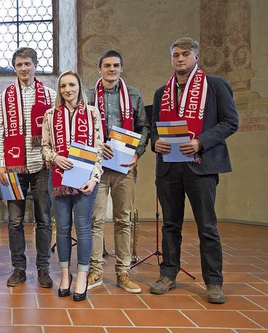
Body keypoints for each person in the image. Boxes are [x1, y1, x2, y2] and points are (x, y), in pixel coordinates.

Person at [149, 37, 238, 304]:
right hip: (169, 168)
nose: (179, 59)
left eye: (185, 54)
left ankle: (213, 282)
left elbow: (230, 122)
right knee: (170, 225)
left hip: (201, 166)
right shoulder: (161, 92)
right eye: (175, 55)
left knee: (207, 226)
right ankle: (168, 274)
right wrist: (156, 142)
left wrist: (200, 142)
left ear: (196, 57)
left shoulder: (215, 85)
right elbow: (154, 127)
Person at [86, 50, 149, 293]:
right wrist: (96, 145)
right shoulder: (89, 96)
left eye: (116, 65)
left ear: (121, 68)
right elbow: (83, 128)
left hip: (124, 167)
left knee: (123, 219)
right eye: (107, 65)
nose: (112, 69)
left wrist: (137, 153)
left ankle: (123, 271)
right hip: (98, 167)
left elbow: (144, 126)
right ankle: (96, 270)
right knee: (95, 220)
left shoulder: (133, 95)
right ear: (99, 68)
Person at [0, 47, 56, 288]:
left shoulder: (49, 96)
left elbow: (54, 131)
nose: (23, 68)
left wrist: (52, 157)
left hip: (41, 165)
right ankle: (18, 268)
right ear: (14, 67)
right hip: (13, 167)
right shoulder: (4, 97)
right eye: (19, 65)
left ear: (35, 65)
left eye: (27, 64)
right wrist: (0, 164)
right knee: (14, 221)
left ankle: (43, 268)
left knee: (43, 219)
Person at [42, 71, 103, 302]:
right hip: (57, 178)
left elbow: (99, 149)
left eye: (72, 85)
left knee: (83, 227)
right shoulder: (50, 114)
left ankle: (82, 276)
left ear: (79, 86)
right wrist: (54, 157)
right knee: (63, 228)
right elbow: (45, 146)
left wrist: (94, 178)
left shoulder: (92, 113)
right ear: (59, 89)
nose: (68, 89)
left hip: (84, 180)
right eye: (63, 86)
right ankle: (66, 274)